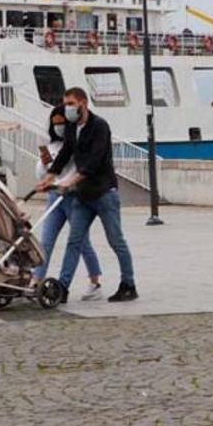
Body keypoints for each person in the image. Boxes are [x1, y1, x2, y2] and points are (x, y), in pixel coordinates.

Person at [36, 87, 138, 302]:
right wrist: (50, 176)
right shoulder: (72, 127)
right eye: (66, 104)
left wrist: (68, 182)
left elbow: (94, 161)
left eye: (71, 103)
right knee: (75, 241)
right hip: (83, 196)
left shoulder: (100, 126)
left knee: (116, 241)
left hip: (103, 193)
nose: (68, 108)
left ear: (83, 103)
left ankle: (128, 283)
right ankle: (63, 287)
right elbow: (65, 154)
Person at [33, 106, 103, 299]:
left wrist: (66, 183)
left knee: (81, 242)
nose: (59, 128)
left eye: (61, 123)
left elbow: (76, 170)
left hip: (73, 196)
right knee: (45, 241)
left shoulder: (75, 144)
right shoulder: (53, 145)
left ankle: (95, 281)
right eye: (55, 124)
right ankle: (37, 280)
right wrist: (45, 163)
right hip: (54, 196)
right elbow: (42, 174)